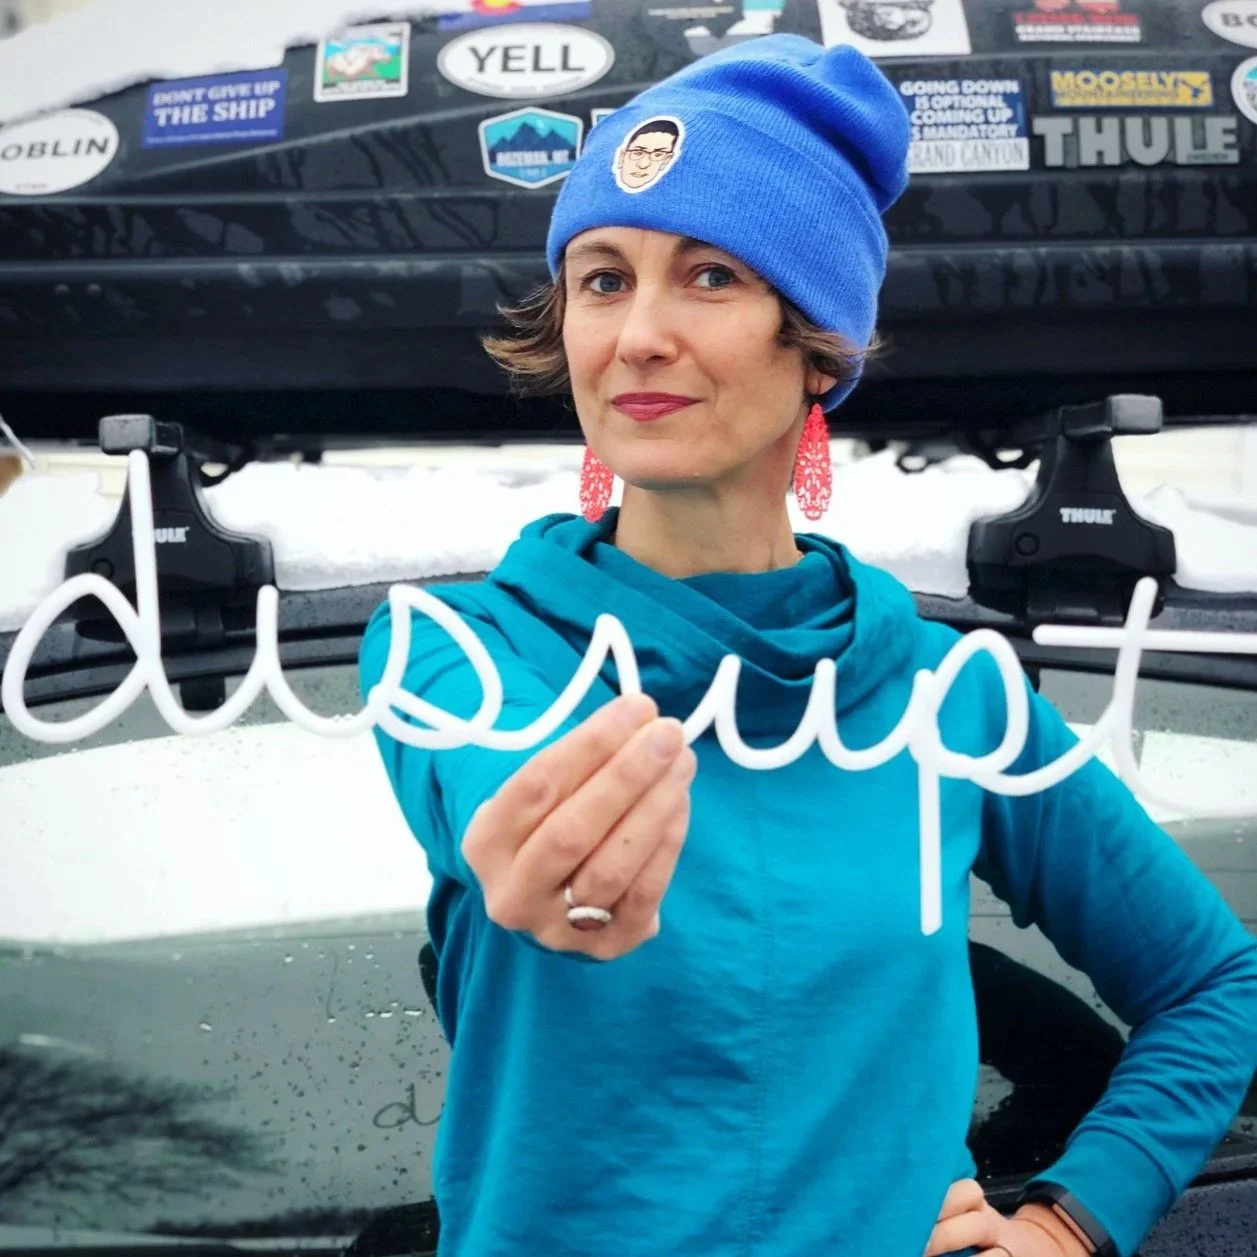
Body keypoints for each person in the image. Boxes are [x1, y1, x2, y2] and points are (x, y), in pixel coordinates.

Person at [358, 33, 1257, 1257]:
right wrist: (543, 856)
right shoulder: (458, 652)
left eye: (711, 275)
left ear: (816, 338)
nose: (638, 335)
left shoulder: (949, 698)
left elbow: (1215, 988)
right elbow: (501, 782)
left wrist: (1068, 1221)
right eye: (603, 280)